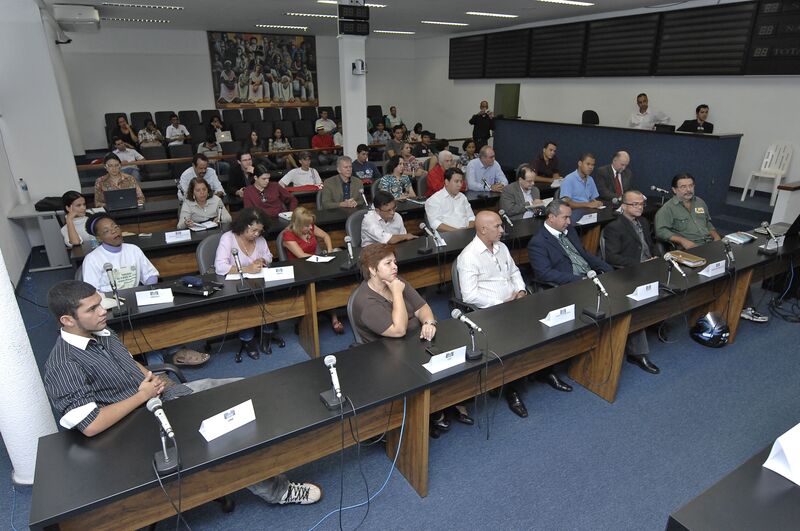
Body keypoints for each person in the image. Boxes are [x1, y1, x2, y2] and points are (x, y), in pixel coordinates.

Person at [44, 280, 319, 504]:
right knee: (230, 433)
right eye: (92, 308)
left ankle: (273, 454)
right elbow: (91, 424)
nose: (103, 311)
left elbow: (128, 363)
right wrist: (142, 396)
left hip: (162, 397)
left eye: (100, 303)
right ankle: (278, 491)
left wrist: (153, 379)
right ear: (67, 320)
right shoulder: (63, 364)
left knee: (244, 390)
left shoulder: (101, 332)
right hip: (138, 426)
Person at [81, 212, 210, 367]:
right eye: (107, 231)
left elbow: (150, 275)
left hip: (136, 299)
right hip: (111, 307)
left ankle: (176, 349)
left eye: (115, 227)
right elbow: (91, 292)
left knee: (161, 314)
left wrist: (149, 290)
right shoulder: (92, 259)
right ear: (99, 238)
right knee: (142, 326)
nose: (114, 232)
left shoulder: (133, 249)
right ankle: (157, 366)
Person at [350, 244, 453, 436]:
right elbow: (398, 330)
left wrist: (429, 322)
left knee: (450, 354)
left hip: (414, 342)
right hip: (387, 356)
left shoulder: (395, 281)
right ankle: (428, 412)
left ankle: (443, 403)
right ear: (372, 270)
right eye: (388, 263)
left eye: (395, 262)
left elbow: (422, 307)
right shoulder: (365, 302)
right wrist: (397, 293)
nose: (395, 267)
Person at [654, 173, 768, 323]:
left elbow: (708, 224)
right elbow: (661, 231)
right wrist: (683, 241)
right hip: (690, 250)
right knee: (724, 269)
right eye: (683, 187)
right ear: (674, 190)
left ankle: (743, 306)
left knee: (737, 267)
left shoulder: (700, 202)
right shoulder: (667, 209)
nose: (688, 189)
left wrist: (716, 237)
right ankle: (725, 306)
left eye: (690, 185)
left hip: (710, 244)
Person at [456, 211, 531, 417]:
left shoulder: (502, 247)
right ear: (483, 229)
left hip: (516, 303)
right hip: (491, 312)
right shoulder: (468, 257)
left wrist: (521, 290)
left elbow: (514, 272)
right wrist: (500, 303)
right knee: (512, 343)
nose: (502, 230)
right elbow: (470, 295)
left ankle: (542, 370)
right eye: (497, 226)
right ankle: (510, 390)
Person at [601, 190, 660, 374]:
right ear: (624, 206)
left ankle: (658, 321)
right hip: (628, 273)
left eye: (641, 204)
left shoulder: (643, 222)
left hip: (649, 267)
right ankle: (638, 353)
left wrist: (655, 258)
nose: (639, 207)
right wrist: (640, 264)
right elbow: (612, 257)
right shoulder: (614, 227)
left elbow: (649, 246)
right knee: (636, 305)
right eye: (635, 204)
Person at [280, 207, 343, 334]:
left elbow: (325, 236)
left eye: (311, 224)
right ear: (297, 224)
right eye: (306, 225)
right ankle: (313, 317)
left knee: (332, 282)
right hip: (299, 269)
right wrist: (322, 259)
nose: (310, 227)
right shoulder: (288, 235)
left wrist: (329, 252)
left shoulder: (310, 226)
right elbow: (301, 256)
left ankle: (333, 315)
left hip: (315, 265)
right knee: (322, 283)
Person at [529, 200, 613, 285]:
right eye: (565, 217)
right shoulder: (538, 242)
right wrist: (581, 279)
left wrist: (609, 270)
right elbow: (545, 274)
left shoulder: (570, 229)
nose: (569, 222)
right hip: (571, 284)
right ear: (551, 217)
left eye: (569, 217)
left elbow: (584, 254)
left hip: (591, 277)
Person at [424, 168, 475, 232]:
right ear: (447, 182)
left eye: (461, 181)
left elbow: (471, 217)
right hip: (447, 235)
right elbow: (435, 224)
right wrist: (458, 232)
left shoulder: (462, 197)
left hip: (467, 233)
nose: (460, 185)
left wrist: (469, 230)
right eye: (456, 181)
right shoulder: (434, 200)